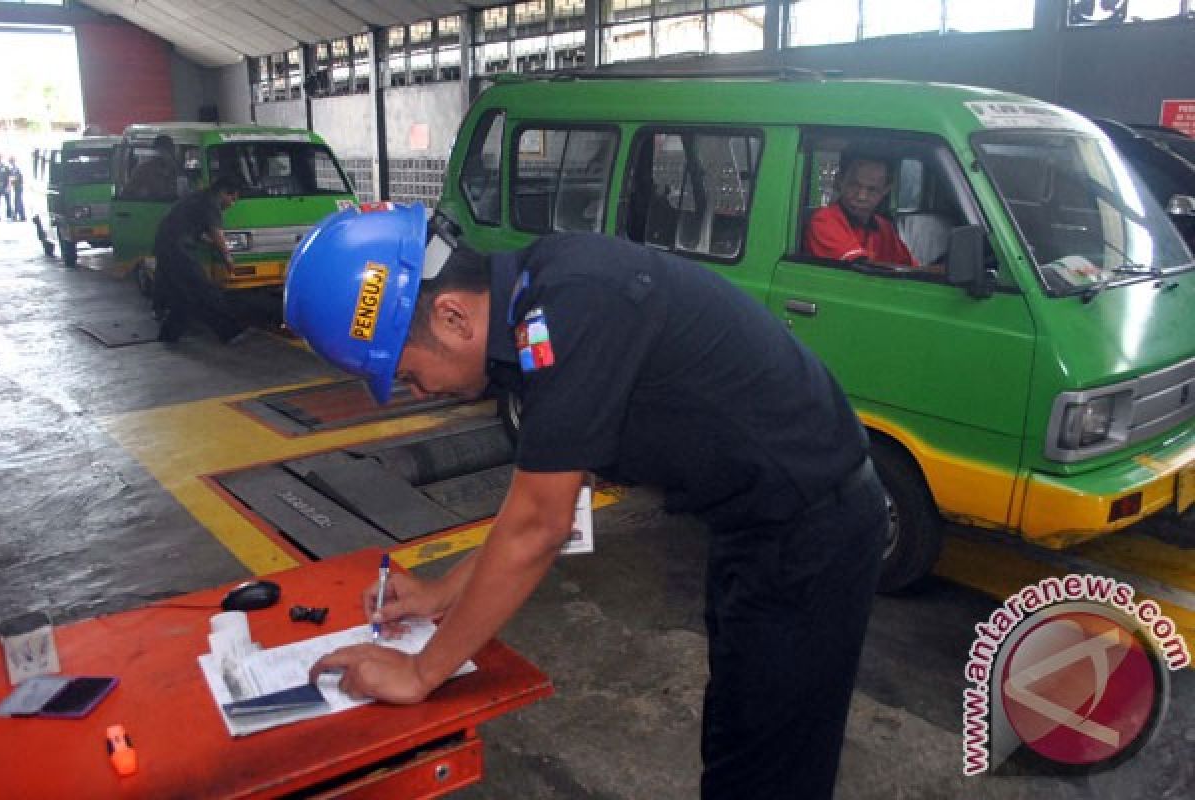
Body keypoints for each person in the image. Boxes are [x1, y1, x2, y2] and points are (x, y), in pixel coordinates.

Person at [288, 204, 888, 799]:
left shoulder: (570, 307)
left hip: (810, 531)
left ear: (452, 317)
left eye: (411, 376)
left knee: (766, 769)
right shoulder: (535, 303)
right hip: (758, 527)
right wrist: (441, 593)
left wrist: (420, 672)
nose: (421, 391)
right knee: (740, 734)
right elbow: (553, 501)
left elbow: (538, 527)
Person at [152, 176, 249, 344]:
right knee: (205, 290)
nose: (232, 203)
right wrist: (227, 256)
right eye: (232, 198)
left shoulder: (199, 197)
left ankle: (168, 335)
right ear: (223, 192)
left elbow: (195, 228)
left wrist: (211, 243)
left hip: (166, 245)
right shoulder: (211, 203)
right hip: (177, 249)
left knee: (184, 296)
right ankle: (230, 331)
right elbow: (216, 232)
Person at [804, 146, 916, 267]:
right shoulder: (824, 221)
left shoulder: (885, 228)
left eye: (872, 189)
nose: (861, 196)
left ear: (885, 190)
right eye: (854, 185)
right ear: (839, 181)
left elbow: (911, 268)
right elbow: (861, 271)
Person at [124, 134, 179, 200]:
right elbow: (127, 193)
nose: (166, 154)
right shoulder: (144, 170)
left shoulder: (178, 170)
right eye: (162, 150)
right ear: (157, 150)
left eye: (169, 150)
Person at [8, 156, 25, 222]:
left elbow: (17, 177)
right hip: (16, 187)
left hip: (18, 187)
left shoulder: (16, 168)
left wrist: (11, 180)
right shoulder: (13, 168)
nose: (10, 162)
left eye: (11, 161)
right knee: (18, 201)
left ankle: (19, 215)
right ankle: (21, 215)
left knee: (18, 201)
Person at [0, 154, 9, 221]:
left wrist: (7, 186)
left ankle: (9, 215)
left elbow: (7, 177)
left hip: (4, 186)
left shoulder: (5, 167)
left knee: (8, 201)